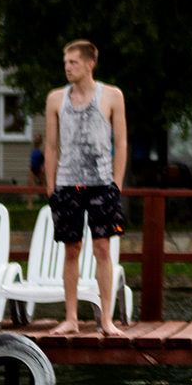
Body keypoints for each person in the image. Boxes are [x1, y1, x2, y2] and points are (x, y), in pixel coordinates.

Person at [44, 40, 129, 335]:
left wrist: (116, 183)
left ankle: (106, 318)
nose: (67, 67)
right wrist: (50, 186)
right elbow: (51, 146)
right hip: (67, 184)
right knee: (71, 249)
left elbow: (121, 141)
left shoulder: (112, 96)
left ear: (89, 64)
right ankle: (71, 317)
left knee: (102, 248)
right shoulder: (56, 99)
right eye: (66, 62)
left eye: (73, 62)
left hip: (102, 183)